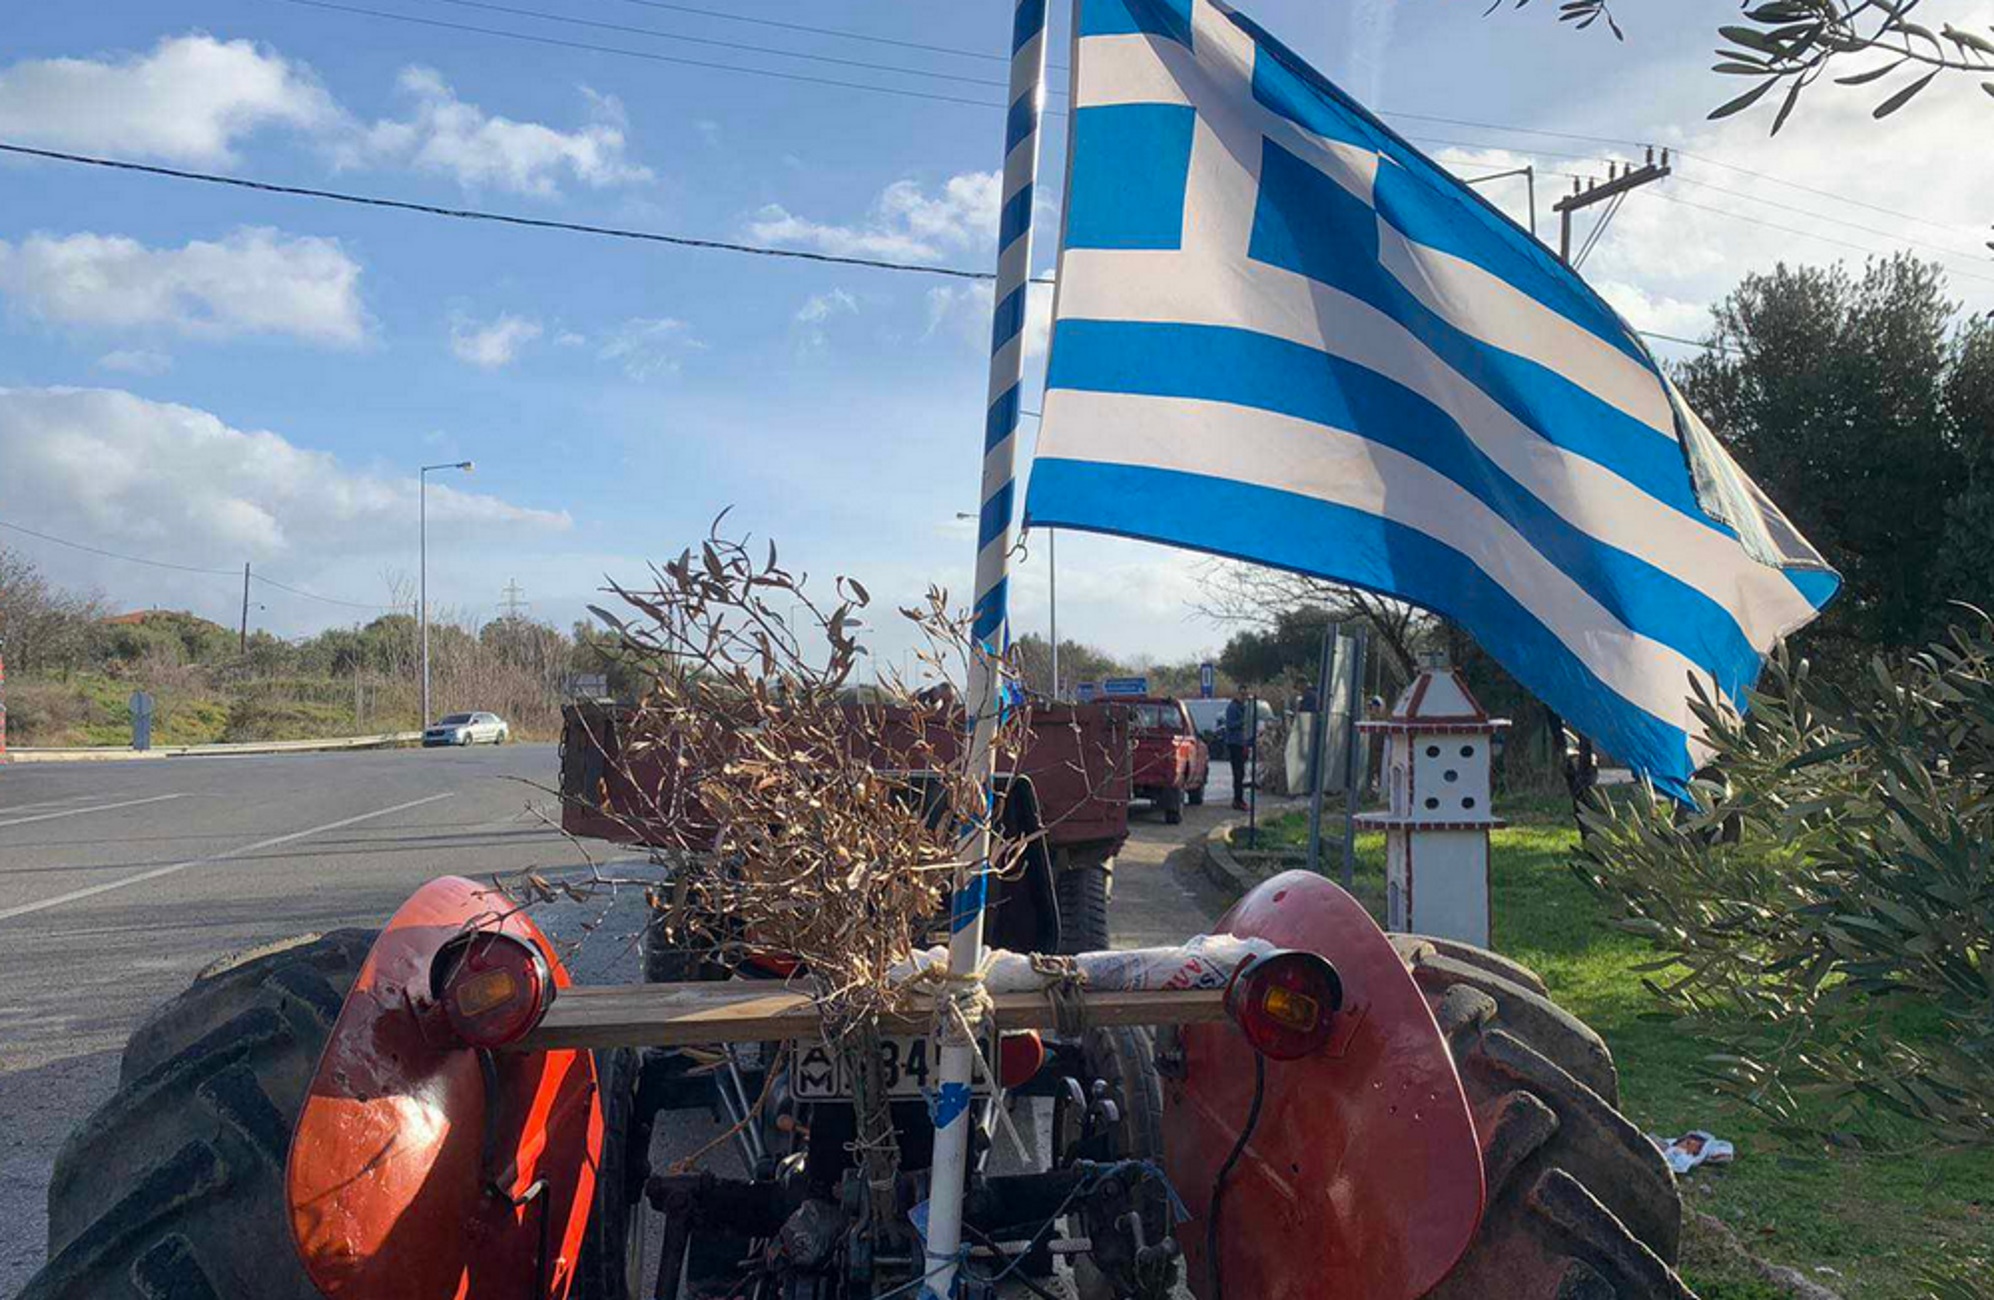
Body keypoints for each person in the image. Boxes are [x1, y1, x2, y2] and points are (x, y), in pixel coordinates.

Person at [1223, 688, 1254, 810]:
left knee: (1241, 773)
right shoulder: (1232, 708)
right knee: (1238, 773)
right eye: (1242, 694)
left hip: (1243, 743)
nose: (1244, 697)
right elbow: (1230, 725)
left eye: (1246, 694)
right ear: (1237, 695)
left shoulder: (1244, 707)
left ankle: (1239, 798)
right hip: (1235, 744)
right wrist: (1243, 721)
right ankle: (1237, 800)